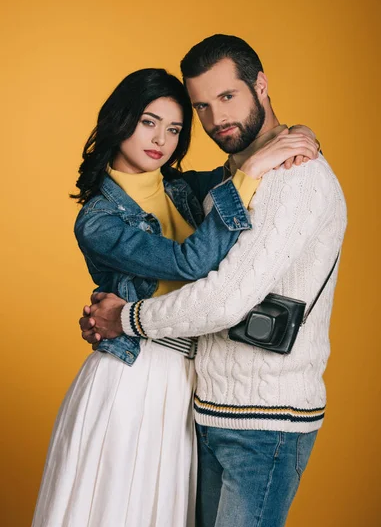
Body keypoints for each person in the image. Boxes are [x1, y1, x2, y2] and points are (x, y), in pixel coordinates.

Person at [32, 67, 318, 527]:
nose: (160, 139)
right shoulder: (98, 219)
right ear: (120, 120)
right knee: (117, 509)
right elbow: (188, 262)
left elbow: (247, 162)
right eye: (149, 121)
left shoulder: (181, 188)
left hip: (189, 381)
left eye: (174, 128)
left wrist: (296, 134)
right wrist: (250, 170)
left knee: (162, 511)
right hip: (132, 376)